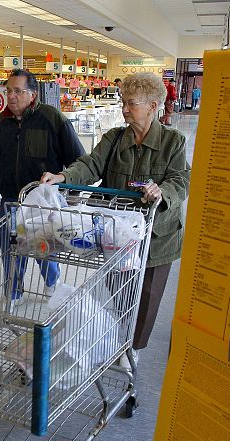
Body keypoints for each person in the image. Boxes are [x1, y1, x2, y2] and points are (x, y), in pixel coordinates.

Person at [41, 71, 190, 355]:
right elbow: (91, 164)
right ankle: (121, 333)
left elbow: (180, 180)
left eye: (131, 103)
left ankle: (132, 350)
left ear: (153, 105)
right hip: (117, 234)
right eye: (123, 101)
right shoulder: (114, 138)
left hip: (157, 237)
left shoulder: (174, 142)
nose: (124, 108)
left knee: (147, 297)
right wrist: (63, 177)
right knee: (121, 292)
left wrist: (162, 191)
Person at [0, 69, 84, 307]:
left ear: (33, 94)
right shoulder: (1, 122)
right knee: (11, 249)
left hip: (42, 200)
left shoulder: (52, 118)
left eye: (18, 91)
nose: (11, 96)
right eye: (8, 90)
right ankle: (14, 292)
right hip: (10, 199)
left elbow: (78, 158)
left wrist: (69, 190)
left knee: (44, 246)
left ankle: (52, 284)